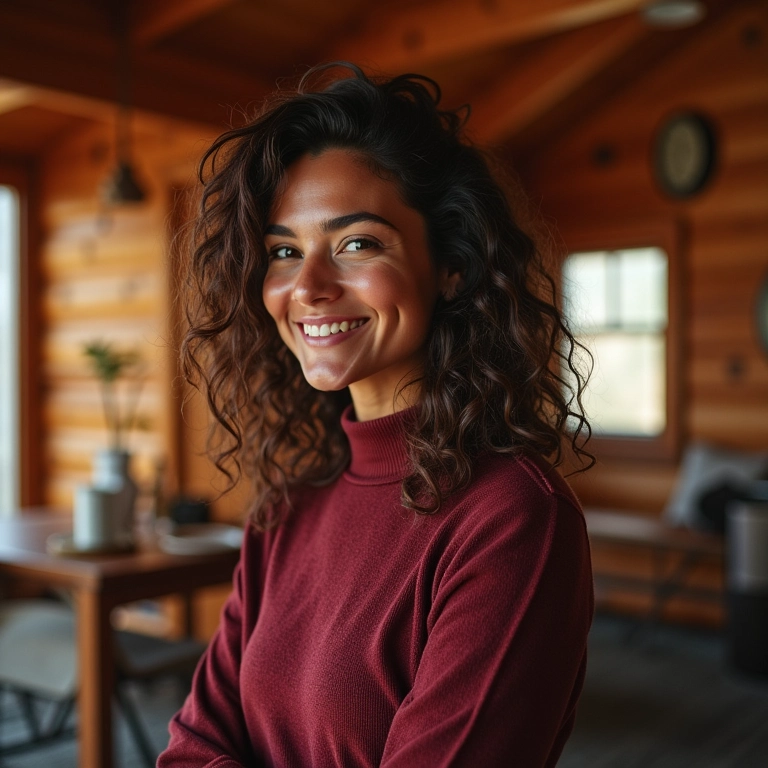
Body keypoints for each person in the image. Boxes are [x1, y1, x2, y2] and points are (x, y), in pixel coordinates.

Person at [158, 62, 594, 768]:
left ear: (450, 264)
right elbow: (194, 745)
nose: (308, 286)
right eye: (283, 252)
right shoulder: (287, 509)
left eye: (357, 243)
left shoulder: (513, 518)